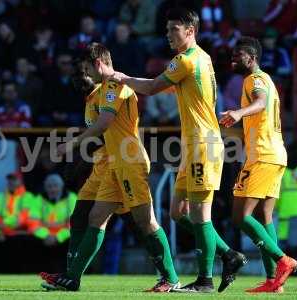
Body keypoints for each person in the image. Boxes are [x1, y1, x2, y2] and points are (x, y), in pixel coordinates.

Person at [110, 8, 246, 293]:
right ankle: (229, 255)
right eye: (168, 29)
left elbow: (151, 88)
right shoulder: (204, 57)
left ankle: (205, 280)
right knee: (177, 212)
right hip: (194, 144)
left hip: (203, 143)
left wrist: (120, 77)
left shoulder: (184, 60)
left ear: (190, 31)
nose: (168, 34)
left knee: (200, 214)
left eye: (174, 29)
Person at [41, 43, 180, 292]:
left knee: (145, 221)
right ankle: (72, 278)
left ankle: (170, 277)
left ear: (97, 64)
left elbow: (104, 124)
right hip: (115, 162)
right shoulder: (103, 89)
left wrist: (70, 146)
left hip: (130, 161)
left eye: (87, 69)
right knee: (95, 217)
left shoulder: (114, 86)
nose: (87, 75)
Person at [219, 36, 297, 293]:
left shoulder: (254, 80)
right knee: (264, 217)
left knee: (240, 215)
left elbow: (261, 102)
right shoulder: (266, 79)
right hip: (276, 154)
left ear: (251, 58)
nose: (233, 56)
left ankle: (282, 261)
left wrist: (239, 113)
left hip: (262, 154)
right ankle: (274, 281)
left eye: (238, 54)